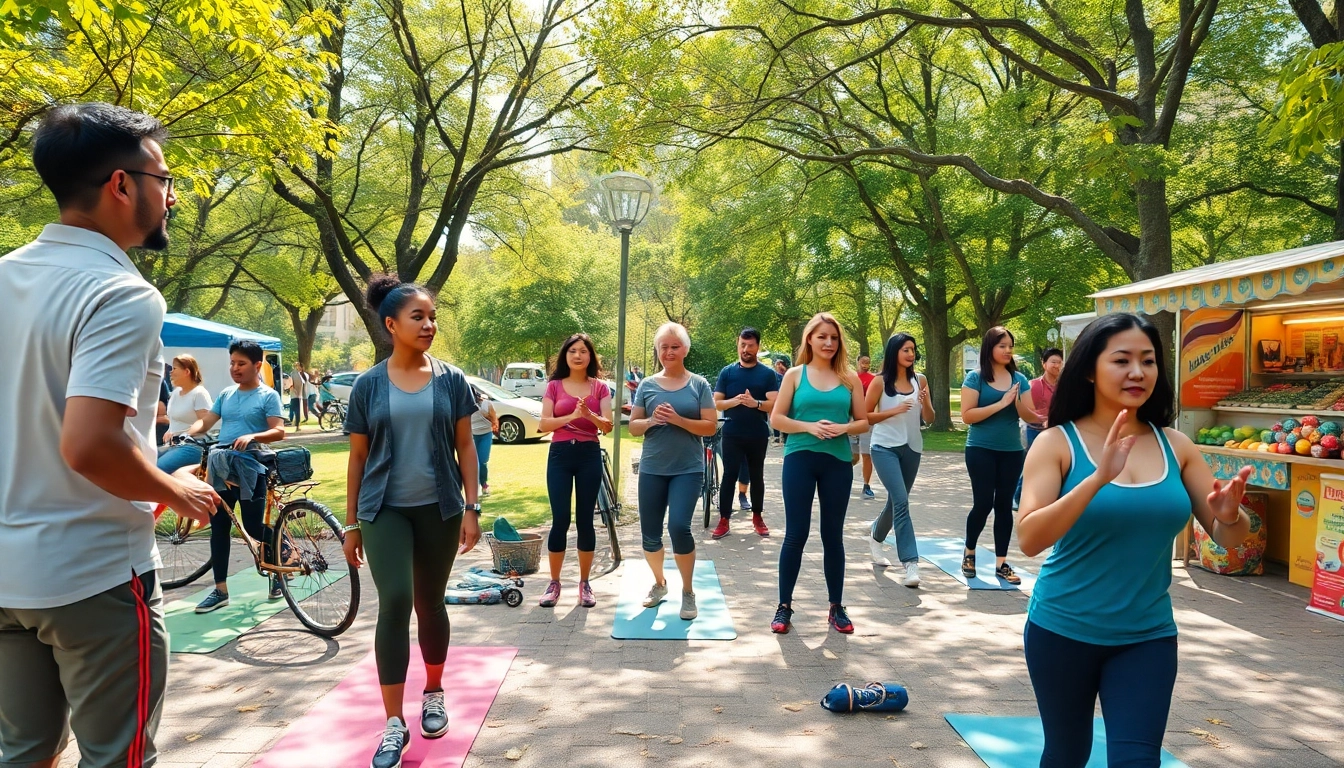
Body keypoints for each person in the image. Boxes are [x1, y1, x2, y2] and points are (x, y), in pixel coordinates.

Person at [0, 102, 220, 768]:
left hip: (7, 578)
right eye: (164, 176)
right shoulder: (121, 294)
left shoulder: (7, 275)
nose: (173, 195)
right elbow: (90, 444)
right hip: (93, 575)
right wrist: (173, 490)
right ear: (122, 185)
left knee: (23, 754)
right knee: (116, 759)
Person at [1018, 313, 1251, 768]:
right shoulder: (1056, 444)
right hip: (1062, 630)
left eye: (1148, 361)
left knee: (1137, 761)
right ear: (1089, 368)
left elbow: (1230, 540)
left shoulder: (1176, 445)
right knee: (1067, 755)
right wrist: (1097, 479)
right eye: (1122, 360)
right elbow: (1029, 538)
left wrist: (1231, 515)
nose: (1137, 372)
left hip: (1147, 637)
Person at [341, 275, 482, 768]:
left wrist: (472, 506)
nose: (429, 324)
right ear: (390, 325)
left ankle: (435, 692)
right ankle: (393, 724)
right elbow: (357, 458)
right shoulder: (367, 385)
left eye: (432, 316)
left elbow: (466, 446)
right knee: (396, 600)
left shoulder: (452, 379)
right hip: (383, 510)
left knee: (430, 601)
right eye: (418, 317)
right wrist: (352, 522)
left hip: (440, 508)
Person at [769, 312, 869, 635]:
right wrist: (808, 427)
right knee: (796, 534)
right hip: (799, 458)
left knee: (832, 536)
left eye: (834, 338)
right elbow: (777, 419)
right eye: (822, 336)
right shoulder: (795, 375)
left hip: (837, 463)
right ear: (809, 339)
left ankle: (836, 607)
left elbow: (863, 422)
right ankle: (784, 606)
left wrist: (843, 427)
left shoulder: (850, 377)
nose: (828, 342)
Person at [181, 340, 287, 612]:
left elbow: (278, 431)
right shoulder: (226, 394)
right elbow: (206, 421)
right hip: (221, 467)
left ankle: (278, 567)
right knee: (219, 527)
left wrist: (252, 435)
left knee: (253, 528)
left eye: (241, 363)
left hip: (252, 466)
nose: (235, 368)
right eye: (232, 363)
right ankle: (220, 590)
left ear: (257, 365)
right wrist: (187, 432)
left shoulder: (267, 396)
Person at [629, 323, 717, 620]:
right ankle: (659, 583)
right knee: (650, 535)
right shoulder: (647, 385)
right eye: (663, 347)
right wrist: (652, 420)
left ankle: (688, 591)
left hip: (688, 469)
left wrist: (678, 420)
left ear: (685, 350)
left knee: (679, 527)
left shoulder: (699, 385)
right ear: (658, 350)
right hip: (653, 468)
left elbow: (710, 426)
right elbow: (633, 428)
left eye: (674, 346)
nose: (668, 352)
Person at [537, 333, 614, 608]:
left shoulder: (600, 388)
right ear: (565, 356)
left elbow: (608, 426)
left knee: (585, 520)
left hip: (588, 455)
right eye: (573, 351)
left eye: (583, 351)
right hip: (559, 454)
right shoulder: (554, 386)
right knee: (560, 520)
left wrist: (589, 415)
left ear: (591, 356)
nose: (578, 355)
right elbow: (544, 424)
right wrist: (572, 416)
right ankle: (554, 582)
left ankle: (584, 583)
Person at [959, 326, 1040, 585]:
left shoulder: (1019, 379)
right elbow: (968, 416)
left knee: (1004, 506)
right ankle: (970, 552)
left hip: (1011, 452)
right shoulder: (976, 378)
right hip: (980, 449)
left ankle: (1001, 563)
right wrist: (1001, 403)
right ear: (990, 348)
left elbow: (1030, 416)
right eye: (1002, 345)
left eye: (1010, 346)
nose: (1007, 350)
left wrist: (1017, 403)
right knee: (983, 503)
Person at [864, 334, 934, 586]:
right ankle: (911, 563)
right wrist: (894, 410)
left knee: (896, 503)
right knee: (902, 501)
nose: (911, 354)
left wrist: (925, 404)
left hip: (912, 448)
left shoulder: (921, 380)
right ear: (894, 352)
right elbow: (865, 416)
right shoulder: (879, 382)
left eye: (913, 350)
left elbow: (930, 418)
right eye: (906, 349)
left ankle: (875, 536)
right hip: (884, 448)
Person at [711, 327, 779, 539]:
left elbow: (773, 403)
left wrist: (754, 403)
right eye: (742, 345)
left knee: (757, 475)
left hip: (757, 433)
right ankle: (724, 520)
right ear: (738, 345)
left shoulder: (767, 374)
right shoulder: (727, 372)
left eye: (750, 346)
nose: (746, 349)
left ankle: (757, 517)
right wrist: (736, 401)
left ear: (758, 347)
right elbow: (717, 401)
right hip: (732, 432)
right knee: (729, 475)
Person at [1014, 347, 1063, 509]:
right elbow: (1026, 410)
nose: (1057, 365)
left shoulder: (1064, 387)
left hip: (1055, 432)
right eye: (1053, 362)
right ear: (1044, 364)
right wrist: (1041, 419)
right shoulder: (1033, 385)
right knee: (1032, 464)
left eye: (1060, 362)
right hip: (1033, 430)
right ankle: (1018, 496)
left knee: (1051, 466)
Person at [158, 354, 214, 473]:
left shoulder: (199, 393)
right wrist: (170, 430)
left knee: (157, 471)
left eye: (174, 369)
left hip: (192, 446)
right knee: (144, 463)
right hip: (172, 445)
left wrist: (185, 435)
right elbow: (175, 419)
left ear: (186, 371)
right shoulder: (175, 393)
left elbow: (204, 422)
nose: (170, 372)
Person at [470, 386, 499, 497]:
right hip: (471, 434)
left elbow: (494, 419)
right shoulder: (463, 405)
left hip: (485, 434)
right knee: (473, 462)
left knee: (482, 461)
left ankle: (484, 484)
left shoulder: (486, 404)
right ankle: (474, 486)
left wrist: (491, 420)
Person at [855, 355, 877, 499]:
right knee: (853, 457)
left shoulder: (873, 379)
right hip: (850, 420)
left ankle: (866, 485)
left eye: (868, 362)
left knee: (866, 454)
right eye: (863, 362)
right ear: (857, 362)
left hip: (867, 420)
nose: (865, 365)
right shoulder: (851, 378)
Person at [772, 359, 789, 445]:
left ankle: (785, 436)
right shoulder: (775, 375)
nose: (779, 366)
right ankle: (777, 436)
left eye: (780, 364)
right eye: (777, 364)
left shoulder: (787, 374)